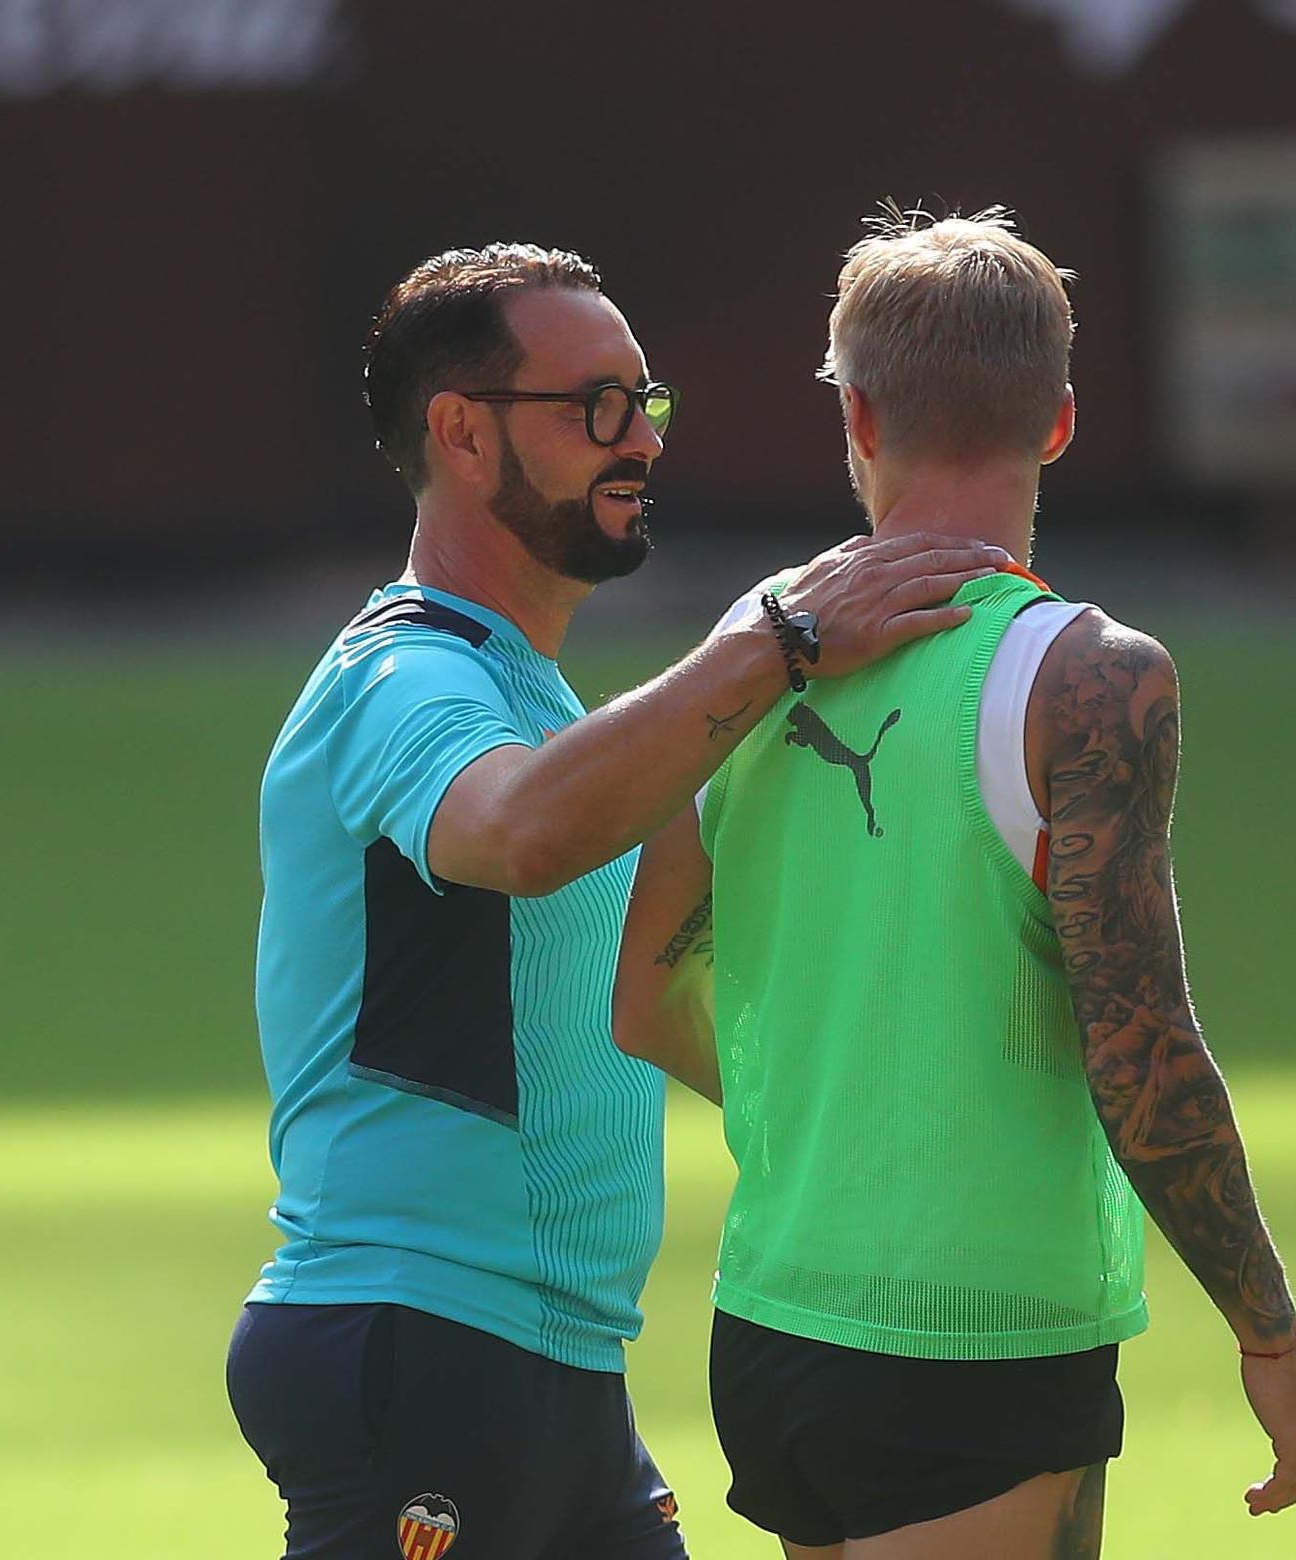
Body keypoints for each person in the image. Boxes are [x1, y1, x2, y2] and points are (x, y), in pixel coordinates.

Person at [224, 240, 1007, 1560]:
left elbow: (652, 1004)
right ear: (462, 435)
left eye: (645, 401)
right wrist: (777, 639)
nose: (636, 439)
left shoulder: (542, 713)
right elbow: (521, 833)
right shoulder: (404, 681)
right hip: (424, 1345)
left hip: (550, 1367)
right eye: (594, 405)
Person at [613, 208, 1296, 1558]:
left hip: (772, 1327)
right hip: (979, 1348)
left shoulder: (740, 648)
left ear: (864, 417)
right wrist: (1271, 1338)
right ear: (1059, 423)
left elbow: (644, 998)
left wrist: (846, 1108)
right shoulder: (1090, 676)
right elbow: (1143, 1051)